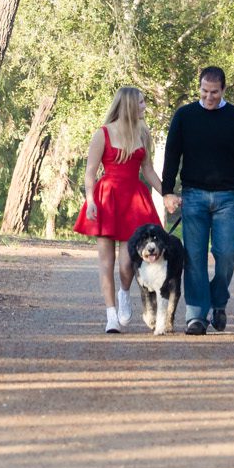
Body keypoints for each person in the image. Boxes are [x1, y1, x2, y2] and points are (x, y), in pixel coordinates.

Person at [161, 65, 234, 335]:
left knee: (226, 255)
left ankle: (218, 300)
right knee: (195, 257)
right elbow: (171, 155)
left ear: (224, 90)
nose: (209, 97)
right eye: (204, 91)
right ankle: (196, 315)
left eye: (214, 92)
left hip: (227, 197)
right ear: (199, 87)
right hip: (193, 195)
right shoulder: (185, 116)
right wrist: (168, 191)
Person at [73, 86, 165, 334]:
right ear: (129, 105)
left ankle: (124, 294)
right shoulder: (102, 134)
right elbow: (90, 173)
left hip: (133, 200)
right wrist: (90, 200)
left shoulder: (143, 133)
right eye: (142, 102)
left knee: (127, 263)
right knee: (106, 262)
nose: (145, 106)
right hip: (107, 198)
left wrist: (167, 193)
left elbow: (148, 171)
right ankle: (111, 315)